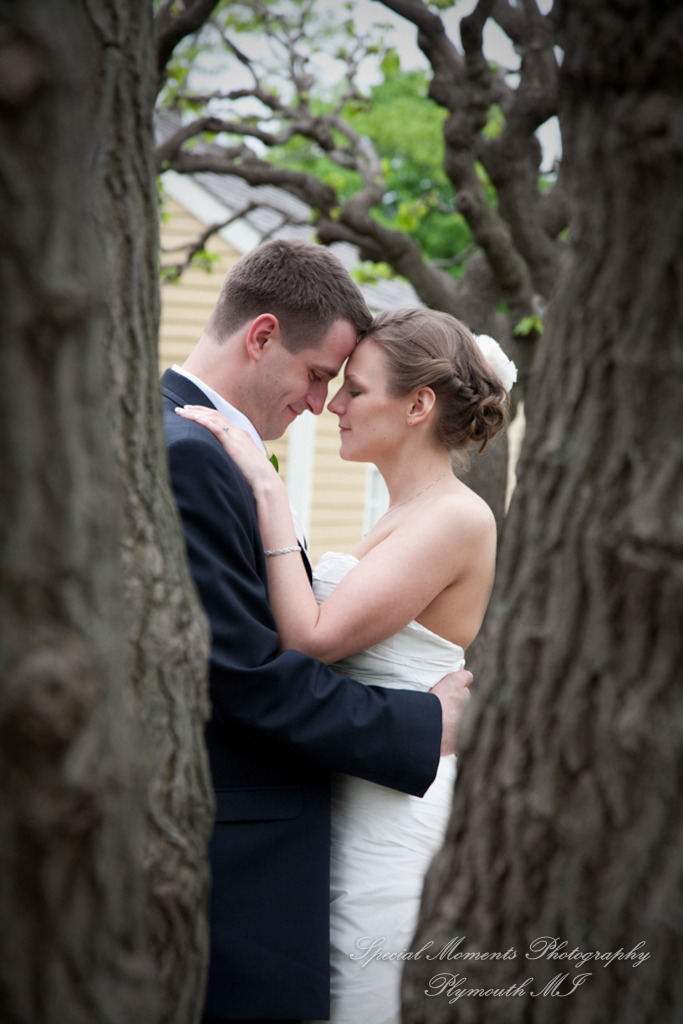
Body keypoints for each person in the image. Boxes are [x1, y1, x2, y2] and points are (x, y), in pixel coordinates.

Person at [160, 240, 474, 1024]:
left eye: (341, 386)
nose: (320, 403)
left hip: (331, 827)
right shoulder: (195, 455)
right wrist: (423, 722)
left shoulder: (196, 442)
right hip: (248, 848)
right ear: (261, 336)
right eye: (317, 376)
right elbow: (243, 674)